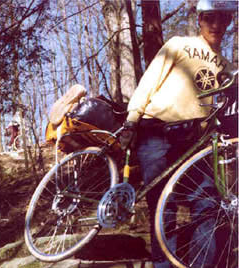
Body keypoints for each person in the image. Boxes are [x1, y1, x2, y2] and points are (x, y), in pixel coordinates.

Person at [121, 1, 237, 267]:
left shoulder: (228, 68)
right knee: (163, 208)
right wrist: (131, 119)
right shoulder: (178, 44)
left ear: (230, 22)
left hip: (196, 142)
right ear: (200, 19)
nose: (217, 26)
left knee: (207, 206)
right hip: (157, 132)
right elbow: (150, 80)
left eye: (224, 19)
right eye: (210, 19)